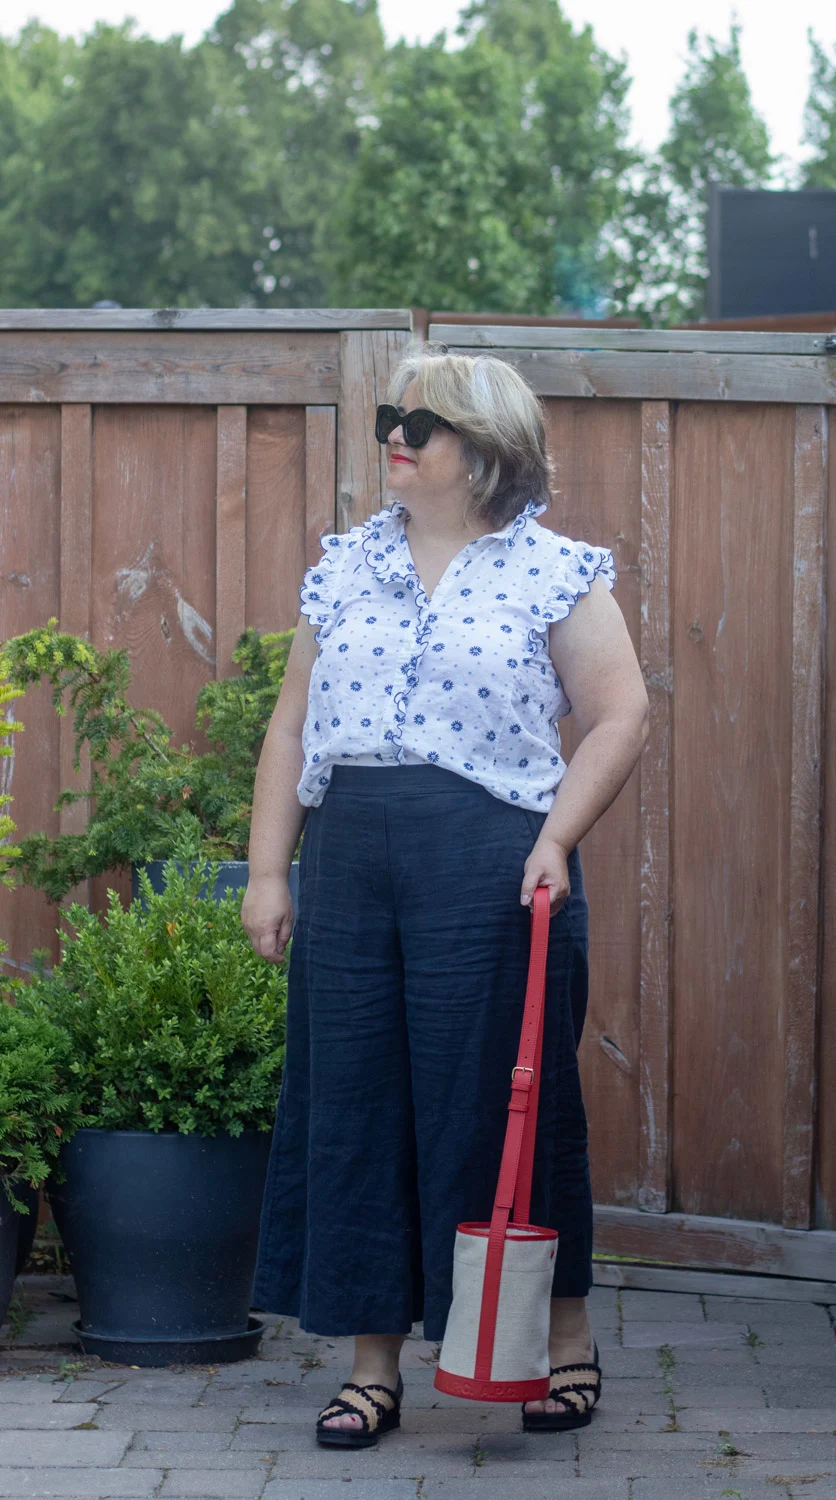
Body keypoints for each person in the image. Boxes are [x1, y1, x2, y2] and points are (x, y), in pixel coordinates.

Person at [242, 346, 649, 1448]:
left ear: (482, 450)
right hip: (351, 857)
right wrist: (271, 869)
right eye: (391, 418)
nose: (394, 437)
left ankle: (555, 1346)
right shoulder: (343, 568)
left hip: (490, 861)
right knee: (357, 1104)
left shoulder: (551, 570)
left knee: (510, 1111)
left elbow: (618, 713)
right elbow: (289, 729)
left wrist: (557, 838)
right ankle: (372, 1367)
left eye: (416, 424)